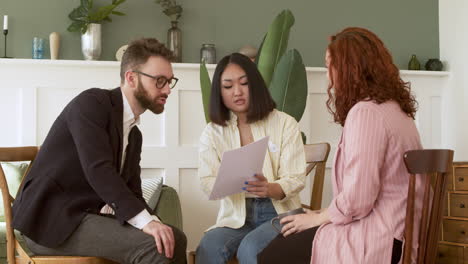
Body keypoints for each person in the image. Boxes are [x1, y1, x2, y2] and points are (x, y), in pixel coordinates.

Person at [12, 38, 187, 264]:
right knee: (158, 247)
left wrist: (155, 222)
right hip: (50, 222)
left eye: (170, 82)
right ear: (131, 78)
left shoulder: (133, 135)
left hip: (82, 217)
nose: (167, 90)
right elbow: (99, 169)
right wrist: (147, 223)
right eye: (160, 81)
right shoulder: (91, 104)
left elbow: (132, 191)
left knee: (174, 238)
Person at [258, 27, 424, 264]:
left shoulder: (366, 113)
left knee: (272, 255)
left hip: (378, 240)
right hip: (401, 236)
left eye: (329, 66)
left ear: (349, 69)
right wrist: (324, 215)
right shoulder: (396, 110)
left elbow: (359, 198)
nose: (328, 76)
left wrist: (319, 218)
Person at [195, 53, 307, 264]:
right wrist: (228, 182)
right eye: (227, 86)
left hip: (279, 213)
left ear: (255, 85)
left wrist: (271, 188)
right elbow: (206, 181)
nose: (237, 92)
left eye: (244, 83)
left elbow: (296, 177)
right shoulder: (212, 132)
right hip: (237, 217)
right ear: (219, 92)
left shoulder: (285, 123)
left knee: (251, 247)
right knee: (210, 245)